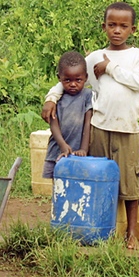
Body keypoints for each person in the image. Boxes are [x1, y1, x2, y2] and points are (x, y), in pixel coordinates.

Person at [42, 2, 139, 249]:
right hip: (99, 128)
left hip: (127, 129)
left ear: (132, 29)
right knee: (97, 180)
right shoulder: (93, 58)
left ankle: (131, 233)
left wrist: (109, 67)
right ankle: (97, 228)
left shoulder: (137, 56)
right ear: (104, 27)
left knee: (130, 184)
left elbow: (138, 83)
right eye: (112, 25)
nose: (117, 31)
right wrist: (51, 97)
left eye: (123, 26)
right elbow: (70, 76)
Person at [43, 51, 94, 180]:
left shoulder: (88, 96)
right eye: (67, 80)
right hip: (57, 150)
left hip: (79, 152)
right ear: (59, 78)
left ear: (86, 78)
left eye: (78, 80)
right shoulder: (57, 98)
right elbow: (53, 124)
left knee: (78, 184)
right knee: (58, 187)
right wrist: (63, 145)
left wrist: (83, 149)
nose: (72, 84)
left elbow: (88, 123)